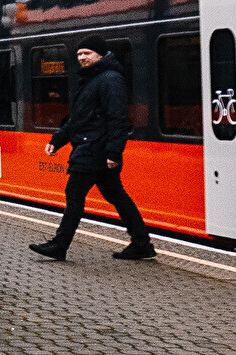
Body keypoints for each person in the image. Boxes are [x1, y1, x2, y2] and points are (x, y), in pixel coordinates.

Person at [28, 37, 155, 262]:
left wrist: (114, 152)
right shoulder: (92, 79)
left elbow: (118, 118)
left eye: (87, 53)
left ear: (100, 54)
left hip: (95, 148)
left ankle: (60, 245)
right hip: (93, 146)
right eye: (79, 54)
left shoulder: (110, 79)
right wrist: (57, 140)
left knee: (74, 193)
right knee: (115, 195)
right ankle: (141, 243)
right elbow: (79, 118)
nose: (82, 57)